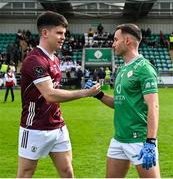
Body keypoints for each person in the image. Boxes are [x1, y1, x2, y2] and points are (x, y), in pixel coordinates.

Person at [17, 11, 100, 178]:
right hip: (34, 127)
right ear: (45, 33)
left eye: (64, 33)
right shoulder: (34, 60)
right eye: (59, 33)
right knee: (25, 174)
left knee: (67, 172)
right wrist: (84, 93)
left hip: (58, 126)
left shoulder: (55, 59)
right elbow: (50, 95)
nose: (63, 37)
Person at [85, 23, 160, 178]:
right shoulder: (122, 69)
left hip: (139, 139)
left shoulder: (144, 68)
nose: (113, 44)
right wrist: (98, 94)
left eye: (115, 39)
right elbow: (119, 103)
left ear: (127, 41)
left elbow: (153, 106)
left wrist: (150, 142)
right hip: (119, 139)